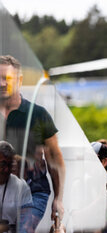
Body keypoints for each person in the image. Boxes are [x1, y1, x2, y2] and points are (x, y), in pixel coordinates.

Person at [0, 55, 65, 230]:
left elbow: (54, 159)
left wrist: (58, 199)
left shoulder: (38, 114)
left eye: (7, 78)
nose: (1, 83)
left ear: (19, 81)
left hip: (32, 192)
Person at [0, 141, 33, 233]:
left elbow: (26, 224)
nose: (6, 169)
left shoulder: (21, 186)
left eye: (10, 165)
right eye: (2, 164)